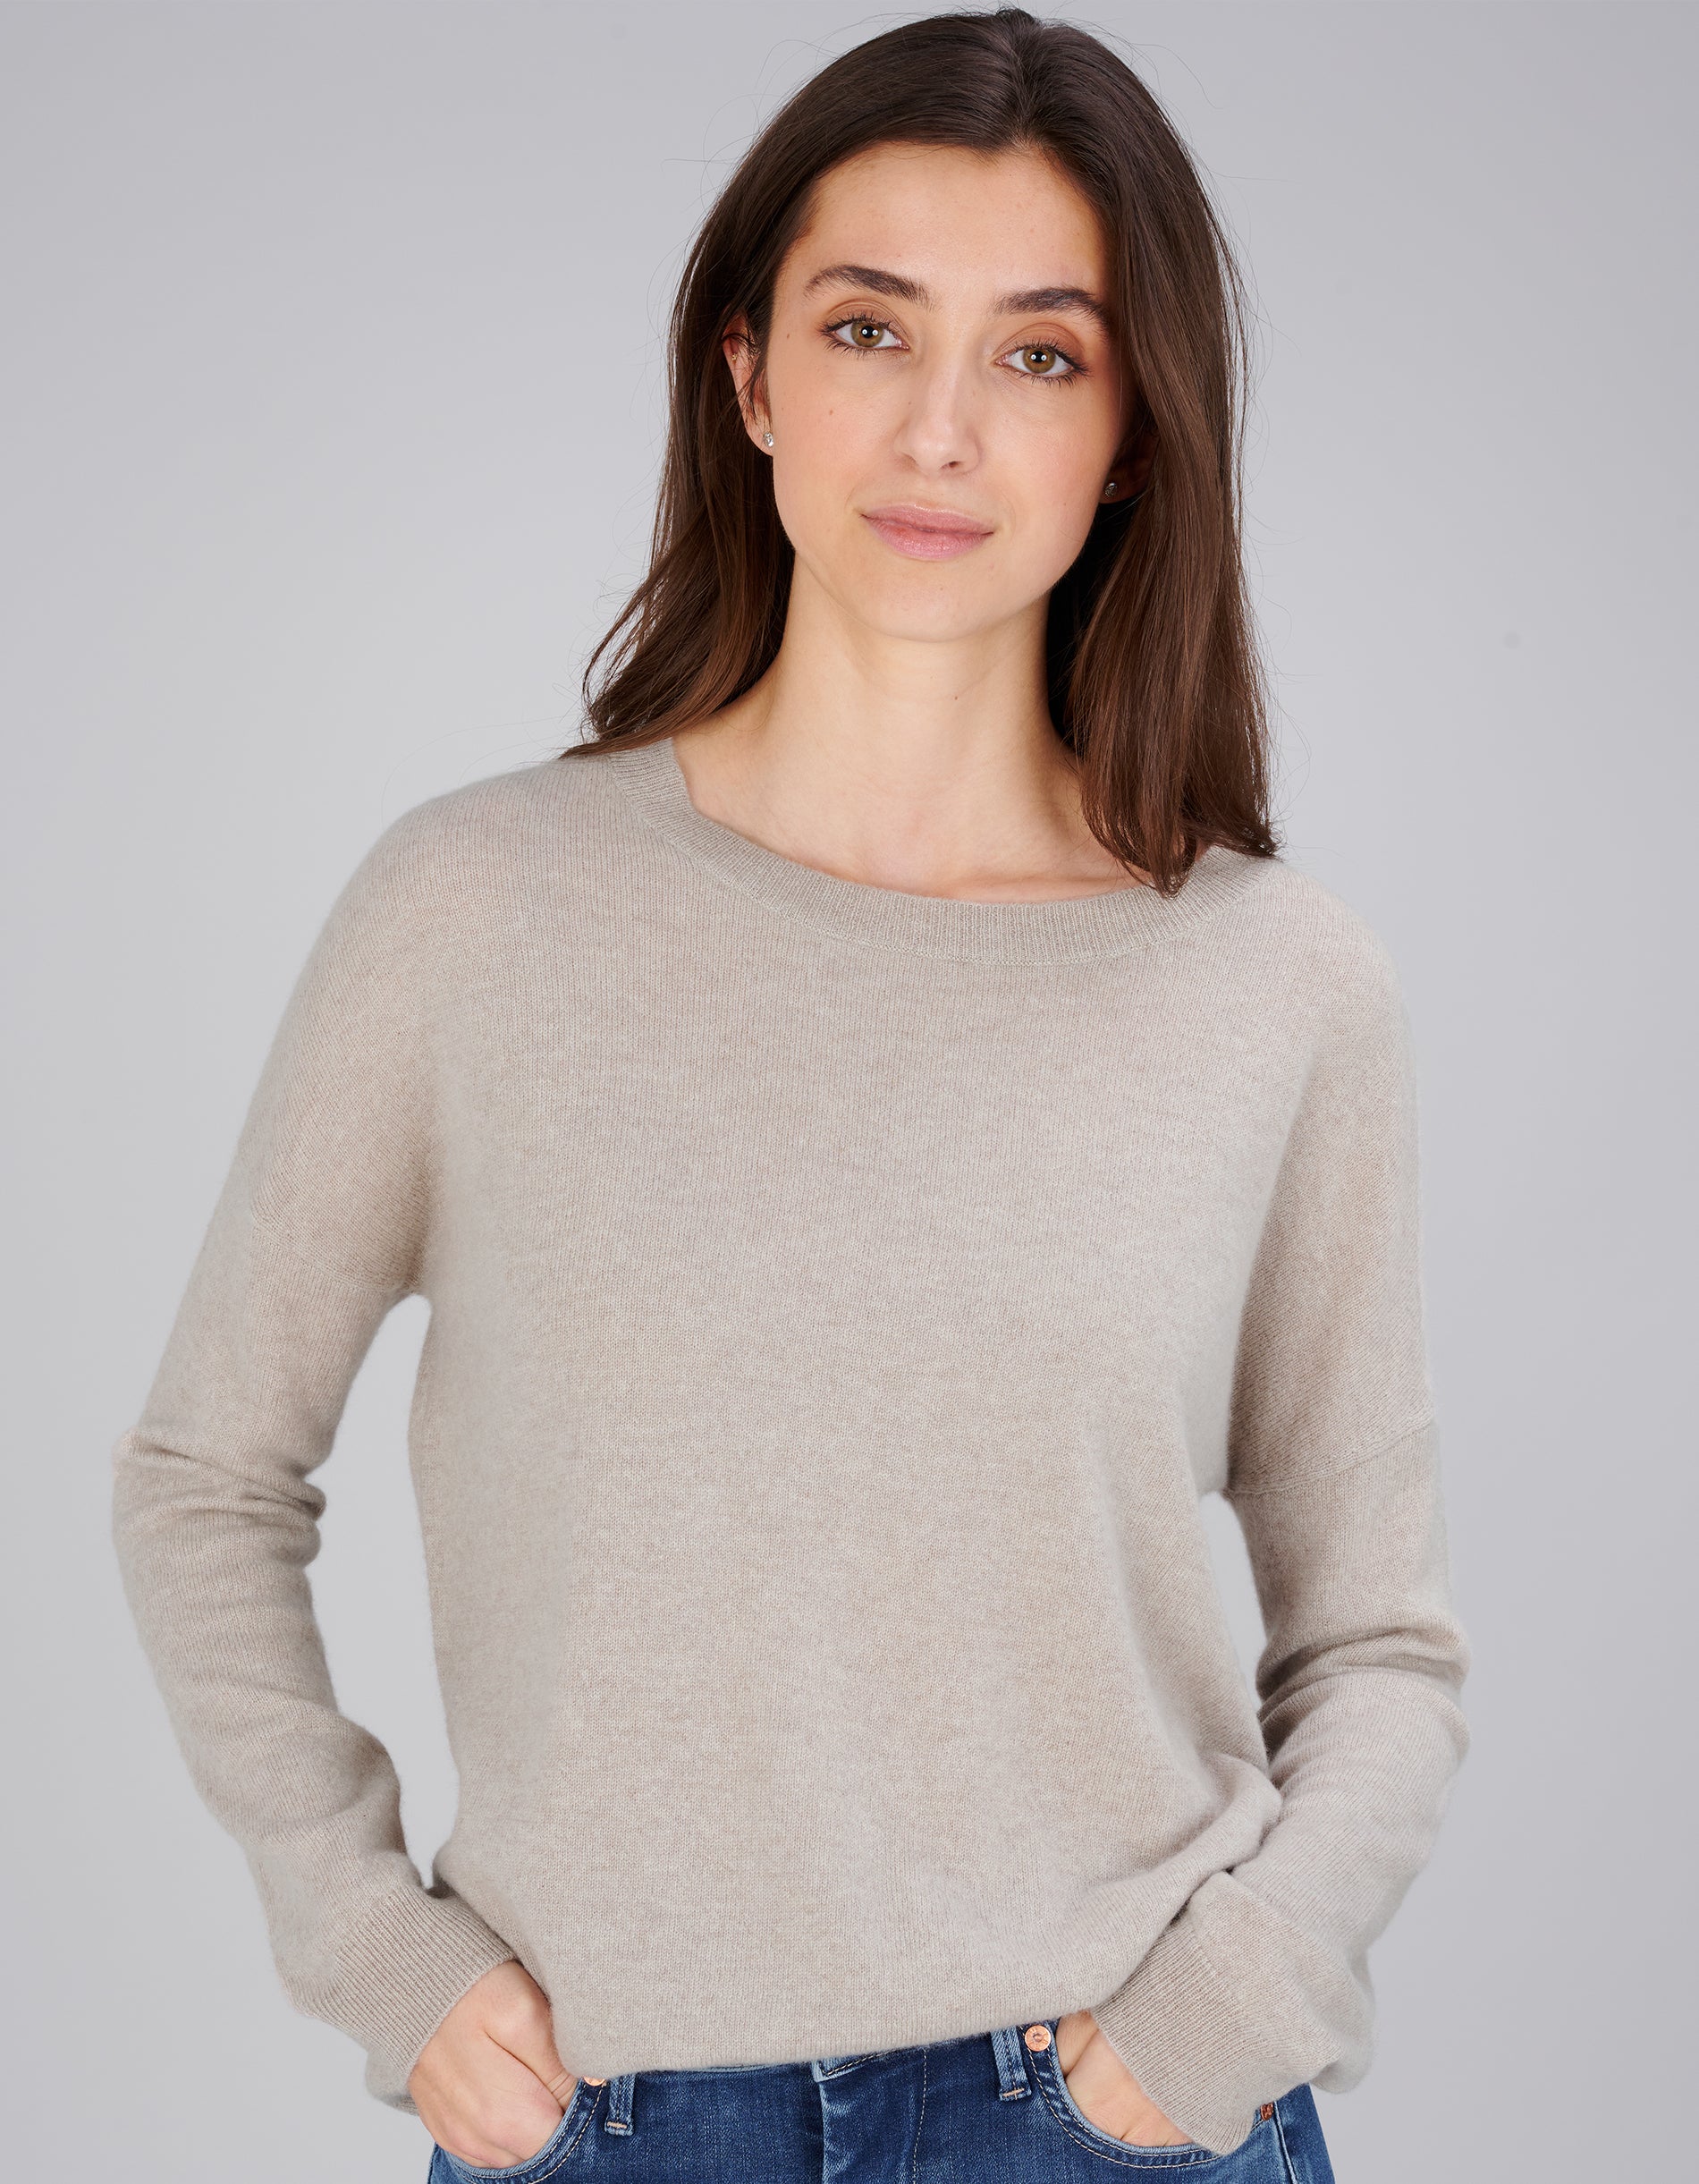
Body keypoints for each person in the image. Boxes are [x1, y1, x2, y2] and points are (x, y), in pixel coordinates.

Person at [110, 9, 1471, 2180]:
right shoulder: (476, 911)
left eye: (1038, 354)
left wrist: (1222, 2016)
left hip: (1108, 2120)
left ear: (1130, 429)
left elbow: (1376, 1640)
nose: (939, 428)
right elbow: (204, 1479)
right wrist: (379, 1952)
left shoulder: (1272, 985)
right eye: (867, 328)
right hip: (608, 2118)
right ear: (746, 375)